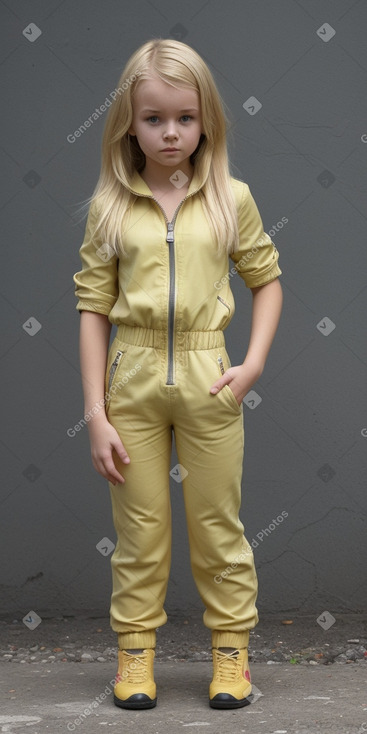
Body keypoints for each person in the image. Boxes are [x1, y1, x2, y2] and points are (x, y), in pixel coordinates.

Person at [73, 37, 283, 711]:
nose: (170, 132)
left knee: (217, 523)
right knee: (139, 533)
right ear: (128, 123)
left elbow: (267, 280)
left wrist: (250, 364)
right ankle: (134, 658)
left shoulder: (231, 198)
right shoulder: (110, 206)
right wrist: (96, 413)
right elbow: (91, 308)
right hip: (129, 381)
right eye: (154, 118)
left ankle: (231, 657)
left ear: (206, 122)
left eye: (185, 118)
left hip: (209, 376)